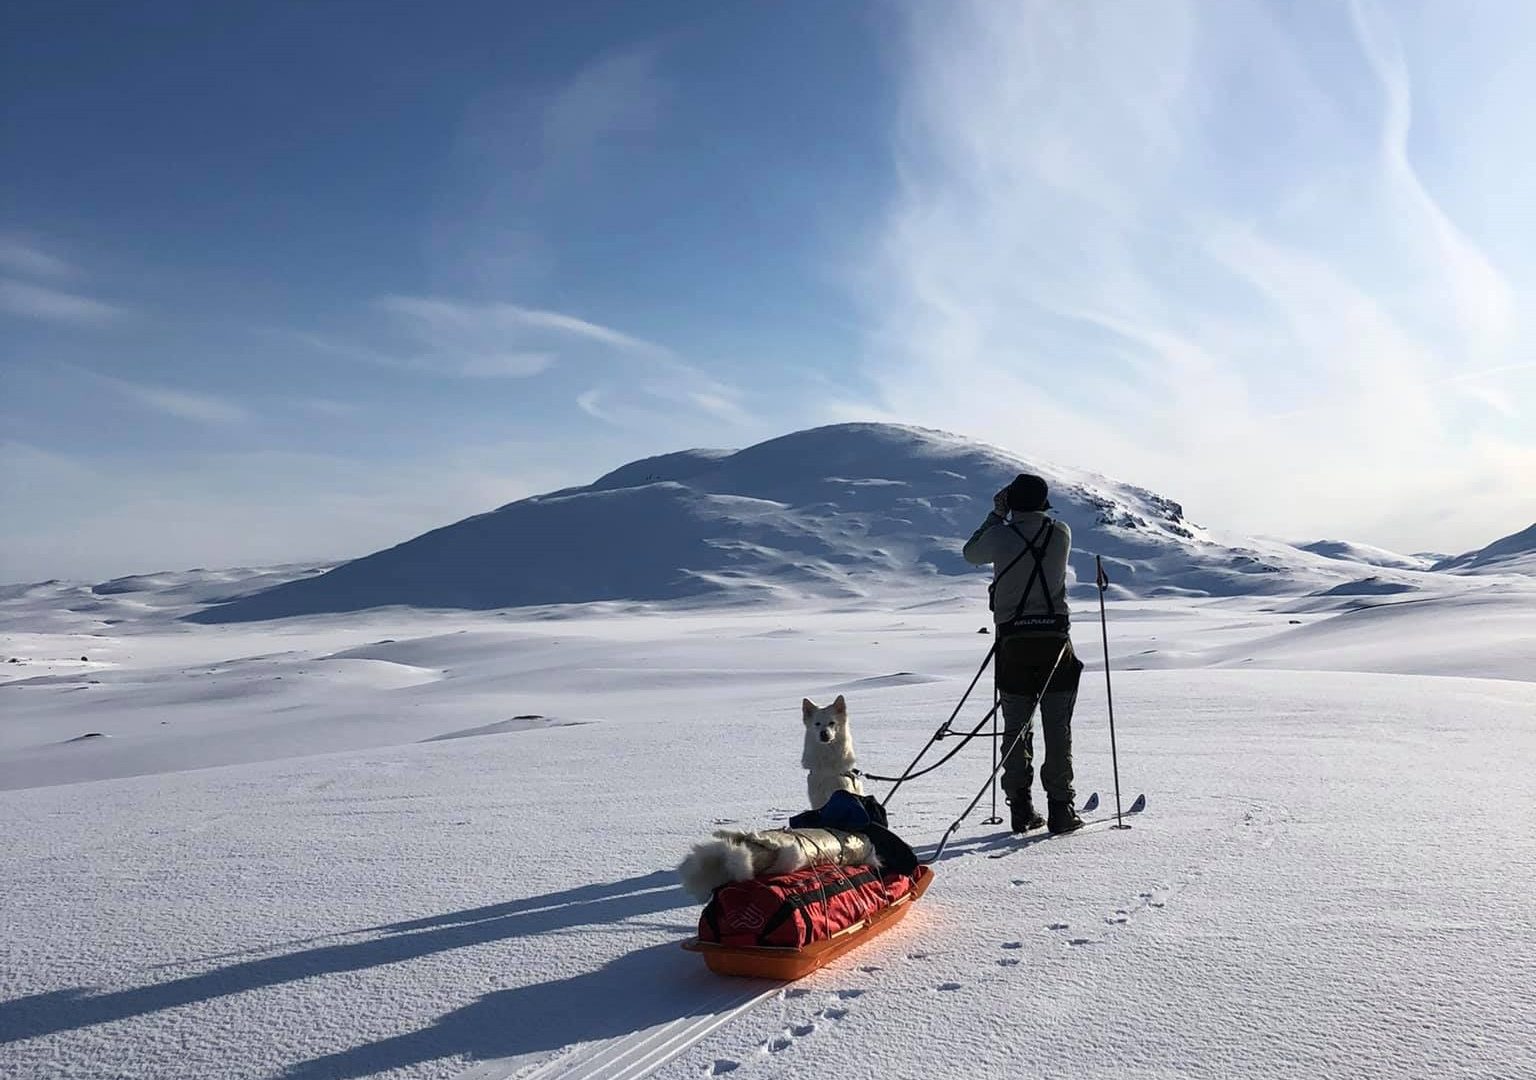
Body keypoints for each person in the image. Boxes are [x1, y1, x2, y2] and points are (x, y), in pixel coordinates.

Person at [962, 473, 1084, 834]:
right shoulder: (1060, 532)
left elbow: (971, 553)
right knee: (1057, 727)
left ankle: (1020, 807)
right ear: (1044, 503)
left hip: (1013, 643)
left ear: (1011, 501)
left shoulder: (999, 536)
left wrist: (996, 514)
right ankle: (1062, 808)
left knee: (1016, 727)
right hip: (1055, 643)